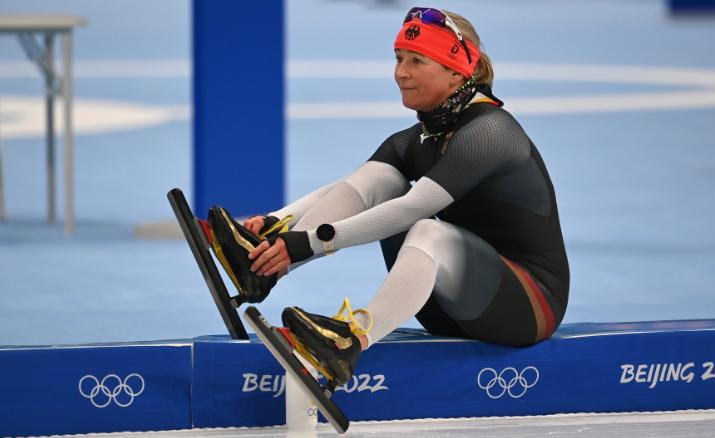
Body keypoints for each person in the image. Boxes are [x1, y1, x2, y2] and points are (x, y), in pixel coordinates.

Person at [210, 7, 569, 387]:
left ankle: (351, 342)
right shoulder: (424, 136)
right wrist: (276, 223)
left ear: (455, 70)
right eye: (398, 58)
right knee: (383, 178)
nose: (401, 72)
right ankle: (262, 269)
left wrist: (309, 243)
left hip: (529, 306)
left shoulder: (490, 133)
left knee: (426, 230)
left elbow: (414, 209)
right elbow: (351, 187)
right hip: (452, 303)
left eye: (417, 61)